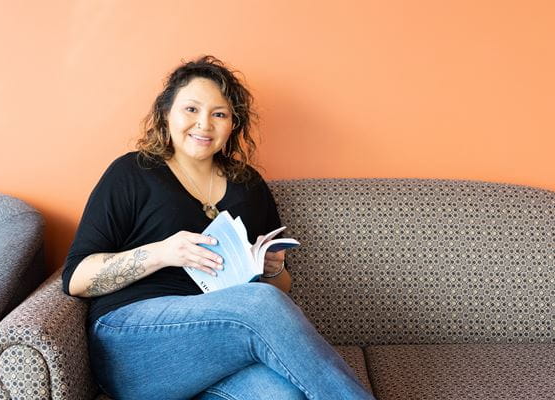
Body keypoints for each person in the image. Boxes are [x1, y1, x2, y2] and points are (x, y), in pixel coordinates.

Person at [62, 55, 375, 400]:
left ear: (232, 126)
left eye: (219, 114)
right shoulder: (133, 173)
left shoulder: (248, 184)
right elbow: (76, 278)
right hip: (132, 342)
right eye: (191, 109)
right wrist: (164, 252)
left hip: (214, 349)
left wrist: (272, 269)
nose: (204, 124)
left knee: (284, 396)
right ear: (167, 115)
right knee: (260, 304)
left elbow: (278, 288)